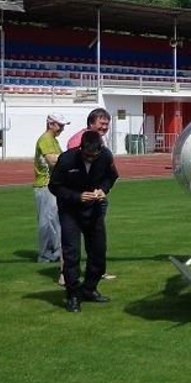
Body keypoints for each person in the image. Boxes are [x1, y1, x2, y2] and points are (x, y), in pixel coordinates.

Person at [49, 129, 118, 311]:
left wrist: (103, 190)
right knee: (72, 253)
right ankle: (72, 294)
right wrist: (77, 196)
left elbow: (111, 177)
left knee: (98, 252)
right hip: (70, 211)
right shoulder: (67, 159)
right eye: (87, 155)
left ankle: (89, 288)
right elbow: (54, 186)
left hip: (94, 209)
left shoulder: (105, 156)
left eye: (93, 156)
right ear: (81, 149)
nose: (90, 159)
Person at [62, 107, 117, 281]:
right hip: (77, 200)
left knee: (96, 241)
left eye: (107, 125)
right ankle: (68, 275)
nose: (104, 127)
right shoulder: (78, 140)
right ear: (91, 122)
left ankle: (96, 272)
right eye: (101, 124)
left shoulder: (99, 142)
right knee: (72, 241)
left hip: (96, 197)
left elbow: (110, 173)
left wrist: (103, 189)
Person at [33, 113, 66, 265]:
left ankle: (55, 251)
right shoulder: (46, 139)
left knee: (54, 220)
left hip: (52, 184)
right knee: (47, 221)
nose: (62, 128)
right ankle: (46, 254)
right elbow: (52, 161)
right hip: (45, 184)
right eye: (60, 125)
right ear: (51, 124)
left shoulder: (53, 140)